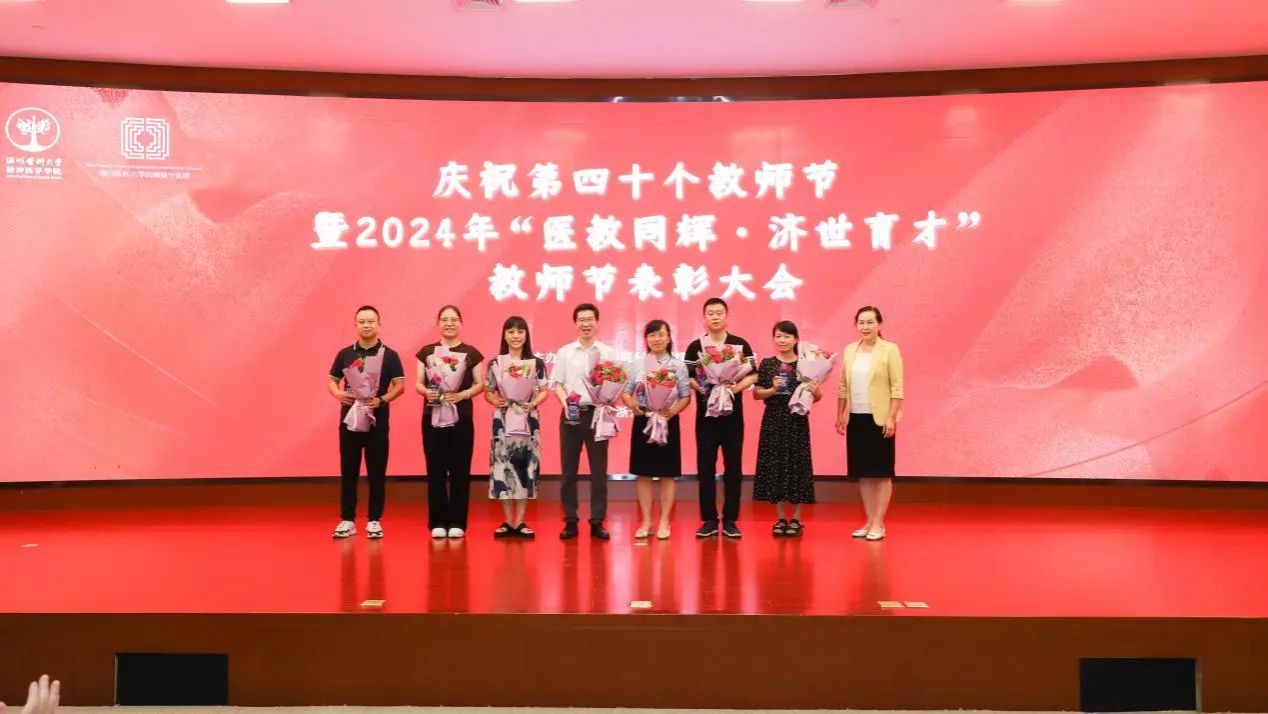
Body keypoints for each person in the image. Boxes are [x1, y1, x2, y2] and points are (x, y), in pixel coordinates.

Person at [327, 305, 405, 539]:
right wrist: (338, 394)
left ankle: (374, 520)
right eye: (362, 321)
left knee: (377, 471)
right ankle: (347, 520)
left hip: (377, 420)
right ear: (355, 325)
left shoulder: (390, 355)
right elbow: (332, 380)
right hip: (349, 419)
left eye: (371, 321)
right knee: (348, 470)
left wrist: (381, 400)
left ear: (379, 324)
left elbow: (400, 386)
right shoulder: (345, 354)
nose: (366, 325)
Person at [684, 297, 758, 539]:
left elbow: (753, 375)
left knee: (733, 468)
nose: (715, 317)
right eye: (710, 313)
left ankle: (730, 520)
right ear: (704, 318)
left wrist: (733, 388)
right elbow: (688, 376)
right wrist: (701, 385)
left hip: (732, 417)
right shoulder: (696, 346)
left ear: (727, 316)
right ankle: (708, 520)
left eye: (719, 313)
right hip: (706, 417)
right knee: (705, 468)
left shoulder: (739, 344)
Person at [415, 305, 485, 540]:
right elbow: (419, 383)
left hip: (461, 417)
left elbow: (480, 384)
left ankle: (457, 521)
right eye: (445, 319)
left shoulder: (471, 353)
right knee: (435, 468)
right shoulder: (427, 352)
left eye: (454, 319)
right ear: (438, 323)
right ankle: (437, 521)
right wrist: (427, 392)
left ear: (461, 323)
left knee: (460, 469)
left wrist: (463, 394)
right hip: (432, 416)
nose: (449, 323)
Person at [835, 306, 904, 541]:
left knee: (881, 472)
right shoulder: (850, 350)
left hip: (880, 418)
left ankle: (879, 523)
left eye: (870, 322)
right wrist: (840, 413)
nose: (865, 327)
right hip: (856, 417)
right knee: (863, 473)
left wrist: (891, 416)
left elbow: (897, 387)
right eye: (861, 323)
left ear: (879, 324)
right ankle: (869, 520)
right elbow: (843, 385)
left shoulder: (889, 349)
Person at [550, 303, 617, 540]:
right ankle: (570, 520)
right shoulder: (565, 352)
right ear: (575, 323)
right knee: (569, 471)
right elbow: (558, 384)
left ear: (597, 322)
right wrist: (565, 403)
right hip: (572, 414)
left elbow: (616, 382)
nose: (586, 324)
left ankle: (597, 521)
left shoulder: (608, 353)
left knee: (599, 471)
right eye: (581, 320)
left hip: (597, 414)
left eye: (590, 319)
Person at [621, 320, 691, 540]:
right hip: (644, 421)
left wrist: (671, 413)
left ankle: (664, 521)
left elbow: (686, 396)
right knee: (644, 474)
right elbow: (626, 393)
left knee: (667, 474)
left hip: (668, 421)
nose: (657, 339)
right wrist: (633, 405)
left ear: (669, 337)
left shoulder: (678, 365)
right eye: (652, 335)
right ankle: (646, 522)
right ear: (646, 339)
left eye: (661, 334)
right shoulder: (637, 364)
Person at [485, 316, 549, 539]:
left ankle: (520, 521)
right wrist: (496, 401)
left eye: (520, 332)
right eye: (511, 332)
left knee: (525, 466)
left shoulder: (536, 363)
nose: (515, 336)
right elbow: (488, 391)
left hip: (527, 418)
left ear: (526, 335)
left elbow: (544, 391)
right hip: (503, 420)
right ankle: (507, 521)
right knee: (503, 465)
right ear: (504, 335)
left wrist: (533, 402)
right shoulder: (495, 363)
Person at [752, 321, 819, 537]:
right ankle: (780, 517)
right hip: (773, 420)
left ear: (796, 339)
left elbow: (817, 397)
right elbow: (756, 394)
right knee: (776, 466)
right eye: (779, 336)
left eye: (787, 336)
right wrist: (773, 389)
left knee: (798, 466)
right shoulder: (767, 364)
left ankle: (797, 518)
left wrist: (815, 390)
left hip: (797, 420)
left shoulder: (805, 364)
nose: (782, 340)